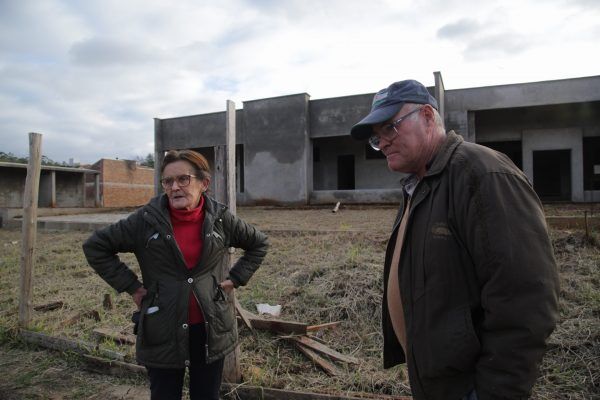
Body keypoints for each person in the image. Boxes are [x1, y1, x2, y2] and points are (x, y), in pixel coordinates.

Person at [350, 80, 559, 400]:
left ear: (429, 117)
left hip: (471, 388)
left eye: (390, 127)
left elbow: (526, 300)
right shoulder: (418, 186)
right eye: (378, 138)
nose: (384, 142)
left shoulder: (482, 173)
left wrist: (493, 391)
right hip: (436, 381)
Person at [83, 149, 268, 400]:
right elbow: (95, 247)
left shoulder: (221, 219)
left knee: (206, 395)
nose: (174, 187)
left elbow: (259, 244)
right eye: (168, 181)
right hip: (162, 327)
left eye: (183, 179)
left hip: (211, 327)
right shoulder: (145, 221)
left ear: (204, 183)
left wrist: (235, 279)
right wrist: (133, 286)